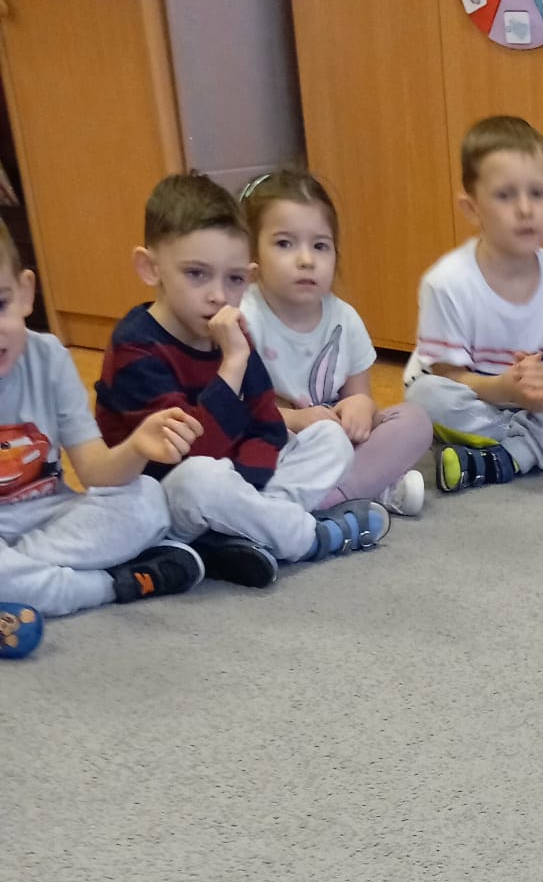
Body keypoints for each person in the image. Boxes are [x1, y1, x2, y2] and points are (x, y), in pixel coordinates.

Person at [96, 174, 386, 590]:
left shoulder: (230, 331)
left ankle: (249, 527)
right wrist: (231, 365)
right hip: (164, 497)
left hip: (233, 480)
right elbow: (190, 453)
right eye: (197, 274)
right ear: (150, 267)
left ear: (248, 276)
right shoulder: (135, 347)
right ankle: (304, 537)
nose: (218, 295)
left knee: (330, 438)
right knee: (202, 478)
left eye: (233, 279)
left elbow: (266, 424)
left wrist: (247, 482)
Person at [405, 116, 543, 491]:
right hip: (474, 399)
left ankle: (505, 457)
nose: (525, 209)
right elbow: (449, 376)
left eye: (537, 194)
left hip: (531, 406)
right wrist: (505, 389)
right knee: (424, 398)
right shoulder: (445, 283)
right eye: (505, 195)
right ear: (472, 208)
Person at [0, 217, 202, 627]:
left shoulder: (48, 357)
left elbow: (95, 471)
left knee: (147, 499)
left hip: (54, 521)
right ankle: (113, 584)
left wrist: (137, 447)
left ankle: (29, 581)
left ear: (24, 293)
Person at [239, 169, 432, 519]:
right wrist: (297, 419)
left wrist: (360, 406)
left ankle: (333, 496)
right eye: (284, 244)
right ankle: (364, 488)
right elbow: (235, 411)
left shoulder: (345, 319)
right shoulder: (245, 319)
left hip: (338, 444)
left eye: (320, 246)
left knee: (415, 420)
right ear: (252, 257)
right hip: (279, 445)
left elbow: (360, 397)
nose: (306, 260)